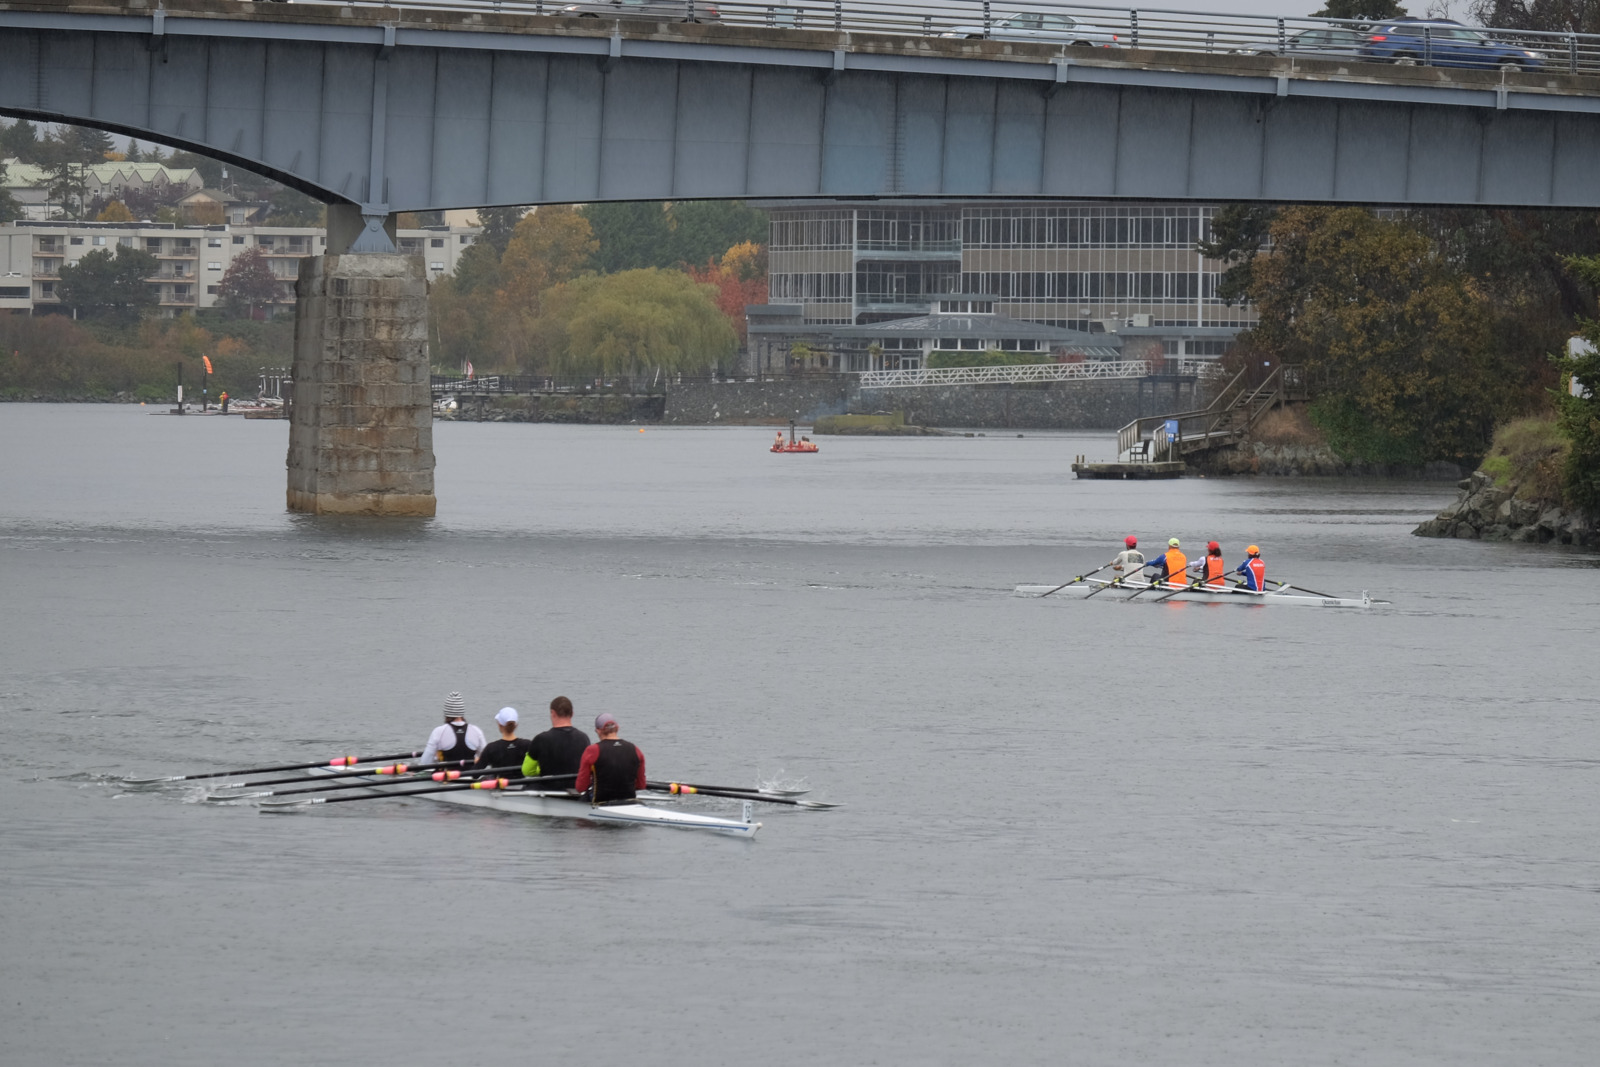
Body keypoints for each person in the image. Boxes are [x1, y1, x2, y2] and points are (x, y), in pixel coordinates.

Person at [574, 713, 646, 805]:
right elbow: (641, 785)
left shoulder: (592, 751)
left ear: (598, 731)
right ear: (617, 728)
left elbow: (581, 787)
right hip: (629, 802)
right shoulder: (635, 750)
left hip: (601, 803)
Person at [521, 696, 591, 786]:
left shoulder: (540, 739)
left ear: (553, 713)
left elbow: (527, 771)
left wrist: (540, 769)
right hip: (576, 791)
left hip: (550, 791)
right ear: (572, 714)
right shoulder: (584, 738)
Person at [420, 692, 486, 765]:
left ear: (446, 713)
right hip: (471, 775)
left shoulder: (439, 732)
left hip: (448, 775)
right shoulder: (476, 731)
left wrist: (436, 758)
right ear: (462, 712)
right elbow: (485, 758)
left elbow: (425, 762)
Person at [476, 707, 531, 778]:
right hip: (522, 787)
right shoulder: (528, 745)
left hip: (500, 787)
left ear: (499, 724)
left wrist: (478, 762)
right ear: (516, 725)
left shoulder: (491, 748)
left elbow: (475, 774)